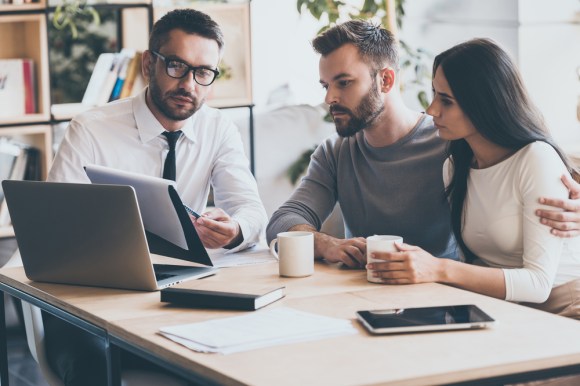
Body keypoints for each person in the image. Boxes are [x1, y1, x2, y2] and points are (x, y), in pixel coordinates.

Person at [43, 9, 267, 385]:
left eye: (203, 72)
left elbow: (251, 209)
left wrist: (236, 228)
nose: (190, 84)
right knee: (95, 367)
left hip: (176, 295)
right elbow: (53, 229)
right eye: (177, 66)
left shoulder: (218, 129)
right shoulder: (91, 130)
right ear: (150, 63)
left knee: (239, 358)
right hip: (89, 297)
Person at [266, 19, 580, 268]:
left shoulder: (452, 139)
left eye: (344, 83)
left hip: (449, 296)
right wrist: (325, 243)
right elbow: (282, 221)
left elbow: (527, 158)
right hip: (369, 296)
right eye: (326, 85)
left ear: (385, 80)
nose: (330, 98)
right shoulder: (335, 153)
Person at [368, 38, 580, 318]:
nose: (431, 111)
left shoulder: (535, 159)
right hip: (502, 310)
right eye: (434, 95)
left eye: (446, 100)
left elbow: (538, 285)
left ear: (484, 103)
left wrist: (438, 268)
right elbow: (476, 265)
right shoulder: (455, 167)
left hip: (564, 308)